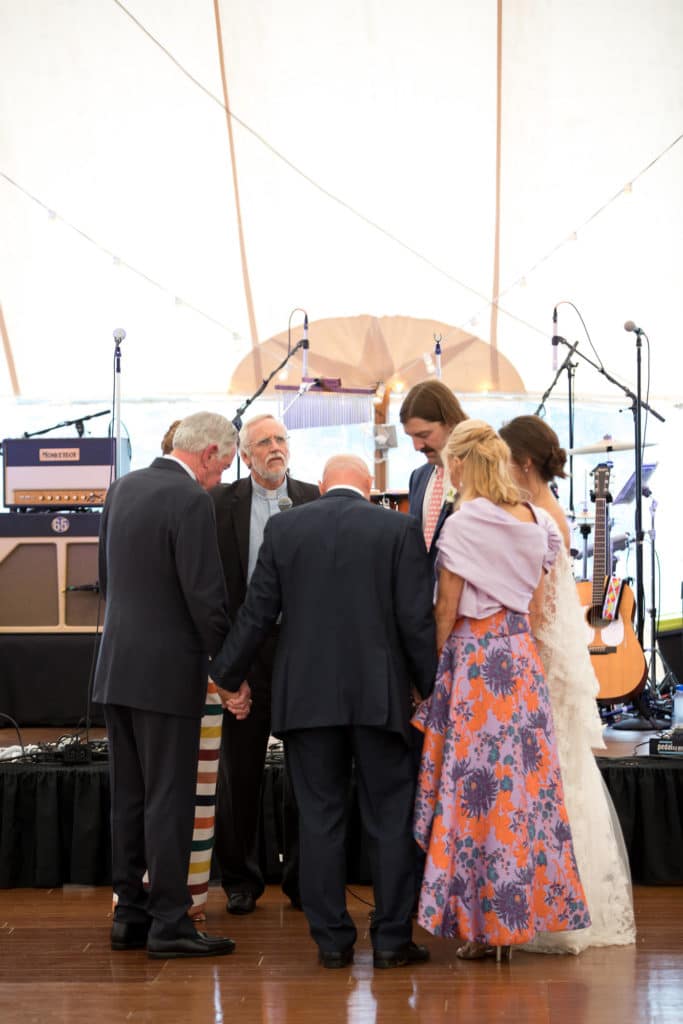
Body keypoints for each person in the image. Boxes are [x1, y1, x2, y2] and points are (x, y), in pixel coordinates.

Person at [210, 455, 438, 969]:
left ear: (323, 485)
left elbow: (256, 612)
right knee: (389, 817)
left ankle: (332, 942)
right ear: (369, 485)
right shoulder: (398, 529)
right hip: (379, 699)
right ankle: (391, 941)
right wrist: (430, 687)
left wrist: (225, 676)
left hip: (306, 699)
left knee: (319, 818)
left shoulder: (285, 528)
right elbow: (415, 621)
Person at [412, 419, 591, 961]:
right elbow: (536, 610)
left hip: (473, 665)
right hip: (520, 664)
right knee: (521, 797)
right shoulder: (538, 521)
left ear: (461, 465)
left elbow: (445, 610)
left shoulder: (464, 524)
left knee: (472, 798)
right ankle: (516, 923)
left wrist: (432, 677)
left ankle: (481, 926)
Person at [94, 411, 243, 959]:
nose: (221, 479)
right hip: (167, 675)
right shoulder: (190, 501)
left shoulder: (121, 488)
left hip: (116, 669)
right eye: (223, 467)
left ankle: (129, 915)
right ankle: (170, 924)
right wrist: (229, 675)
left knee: (128, 798)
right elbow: (206, 597)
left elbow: (106, 582)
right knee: (169, 799)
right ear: (206, 454)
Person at [499, 414, 636, 953]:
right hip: (556, 659)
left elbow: (537, 608)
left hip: (541, 661)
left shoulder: (538, 518)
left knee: (546, 785)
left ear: (524, 463)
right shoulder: (548, 513)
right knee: (563, 778)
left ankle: (551, 906)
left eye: (504, 462)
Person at [210, 414, 320, 915]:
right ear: (245, 455)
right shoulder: (220, 504)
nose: (275, 449)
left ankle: (303, 879)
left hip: (300, 651)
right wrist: (227, 668)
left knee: (307, 772)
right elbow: (213, 586)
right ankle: (240, 881)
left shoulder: (314, 496)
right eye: (264, 443)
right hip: (244, 651)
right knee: (241, 773)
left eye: (280, 440)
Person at [399, 379, 468, 569]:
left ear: (451, 423)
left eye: (423, 435)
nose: (417, 446)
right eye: (411, 437)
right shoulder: (418, 477)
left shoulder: (478, 476)